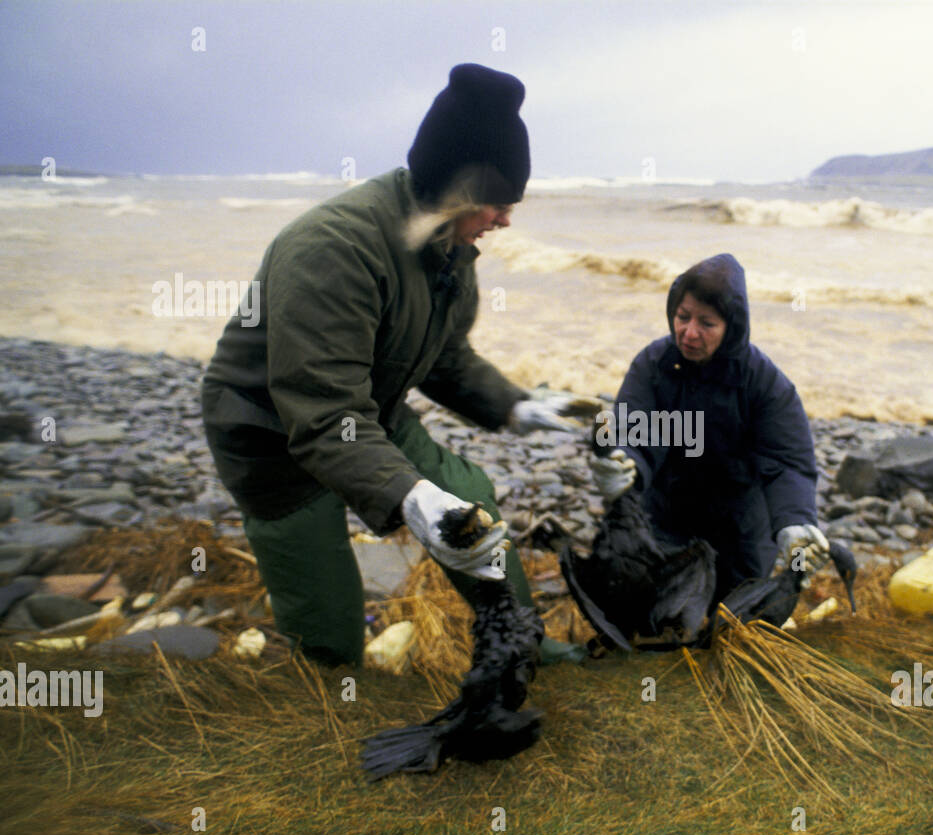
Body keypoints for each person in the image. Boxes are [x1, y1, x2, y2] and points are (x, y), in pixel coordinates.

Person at [200, 63, 594, 667]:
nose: (507, 219)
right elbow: (324, 416)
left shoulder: (451, 244)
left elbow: (447, 357)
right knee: (328, 622)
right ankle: (329, 690)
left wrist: (515, 405)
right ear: (454, 190)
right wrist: (410, 498)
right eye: (497, 202)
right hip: (272, 430)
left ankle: (524, 641)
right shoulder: (334, 249)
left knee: (468, 499)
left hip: (368, 409)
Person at [590, 253, 829, 606]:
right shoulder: (652, 366)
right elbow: (635, 434)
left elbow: (787, 462)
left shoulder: (764, 383)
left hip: (740, 526)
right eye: (682, 317)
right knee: (645, 610)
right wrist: (623, 466)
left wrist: (794, 523)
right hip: (665, 514)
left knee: (737, 619)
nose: (689, 332)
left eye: (707, 323)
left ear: (730, 327)